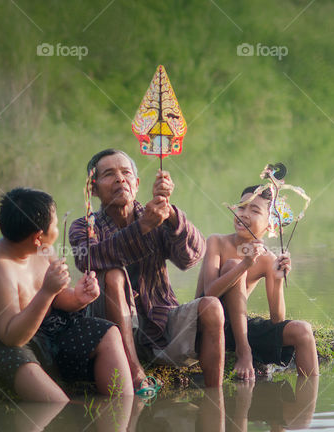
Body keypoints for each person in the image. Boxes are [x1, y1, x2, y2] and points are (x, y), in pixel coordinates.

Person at [0, 187, 134, 402]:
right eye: (55, 225)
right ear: (38, 237)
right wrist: (47, 291)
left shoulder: (43, 249)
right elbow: (11, 336)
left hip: (42, 329)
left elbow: (58, 298)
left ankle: (124, 410)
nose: (57, 229)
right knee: (56, 403)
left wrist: (78, 298)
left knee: (108, 333)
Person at [68, 149, 225, 389]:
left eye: (126, 173)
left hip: (160, 321)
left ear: (137, 183)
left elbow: (191, 257)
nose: (120, 179)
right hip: (110, 328)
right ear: (93, 188)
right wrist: (142, 227)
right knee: (113, 274)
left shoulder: (157, 216)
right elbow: (89, 258)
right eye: (109, 174)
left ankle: (216, 395)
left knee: (212, 306)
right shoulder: (84, 226)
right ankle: (134, 372)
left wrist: (171, 214)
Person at [195, 185, 319, 380]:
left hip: (238, 328)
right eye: (241, 207)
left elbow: (277, 320)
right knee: (233, 265)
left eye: (254, 210)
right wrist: (244, 264)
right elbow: (210, 294)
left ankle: (309, 394)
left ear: (270, 225)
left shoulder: (268, 259)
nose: (244, 214)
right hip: (207, 323)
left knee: (303, 330)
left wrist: (278, 279)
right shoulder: (216, 242)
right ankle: (243, 351)